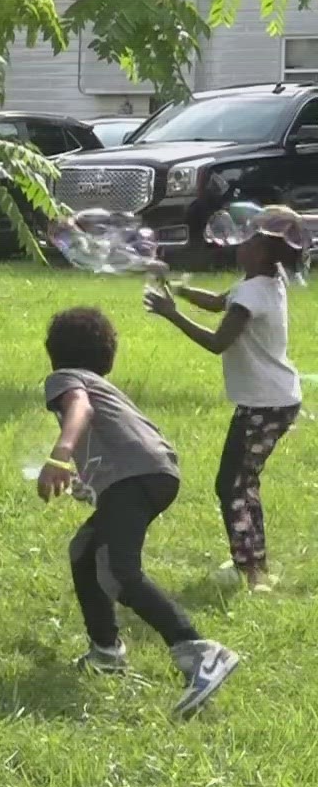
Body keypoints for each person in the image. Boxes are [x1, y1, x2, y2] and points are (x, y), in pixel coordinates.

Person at [37, 307, 240, 719]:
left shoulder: (66, 380)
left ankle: (199, 650)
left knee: (118, 569)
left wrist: (59, 455)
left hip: (137, 477)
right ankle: (106, 650)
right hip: (154, 473)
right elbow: (115, 438)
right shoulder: (102, 384)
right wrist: (90, 480)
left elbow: (80, 410)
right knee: (85, 550)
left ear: (54, 353)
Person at [143, 208, 304, 592]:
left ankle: (250, 572)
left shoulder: (252, 294)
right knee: (241, 482)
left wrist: (171, 313)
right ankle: (252, 562)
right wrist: (178, 287)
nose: (238, 243)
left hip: (264, 404)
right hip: (272, 400)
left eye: (249, 238)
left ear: (265, 251)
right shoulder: (265, 280)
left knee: (231, 484)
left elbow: (218, 342)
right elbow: (219, 302)